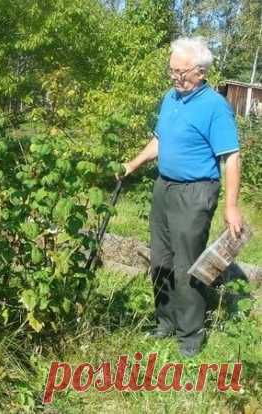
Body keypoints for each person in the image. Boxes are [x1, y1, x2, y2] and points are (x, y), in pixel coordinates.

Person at [121, 37, 243, 357]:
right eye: (171, 71)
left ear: (200, 72)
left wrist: (230, 207)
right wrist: (131, 165)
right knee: (160, 259)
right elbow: (159, 142)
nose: (175, 77)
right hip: (165, 187)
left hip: (196, 191)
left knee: (188, 264)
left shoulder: (215, 107)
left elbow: (231, 157)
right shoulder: (170, 98)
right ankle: (166, 321)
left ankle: (191, 334)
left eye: (181, 72)